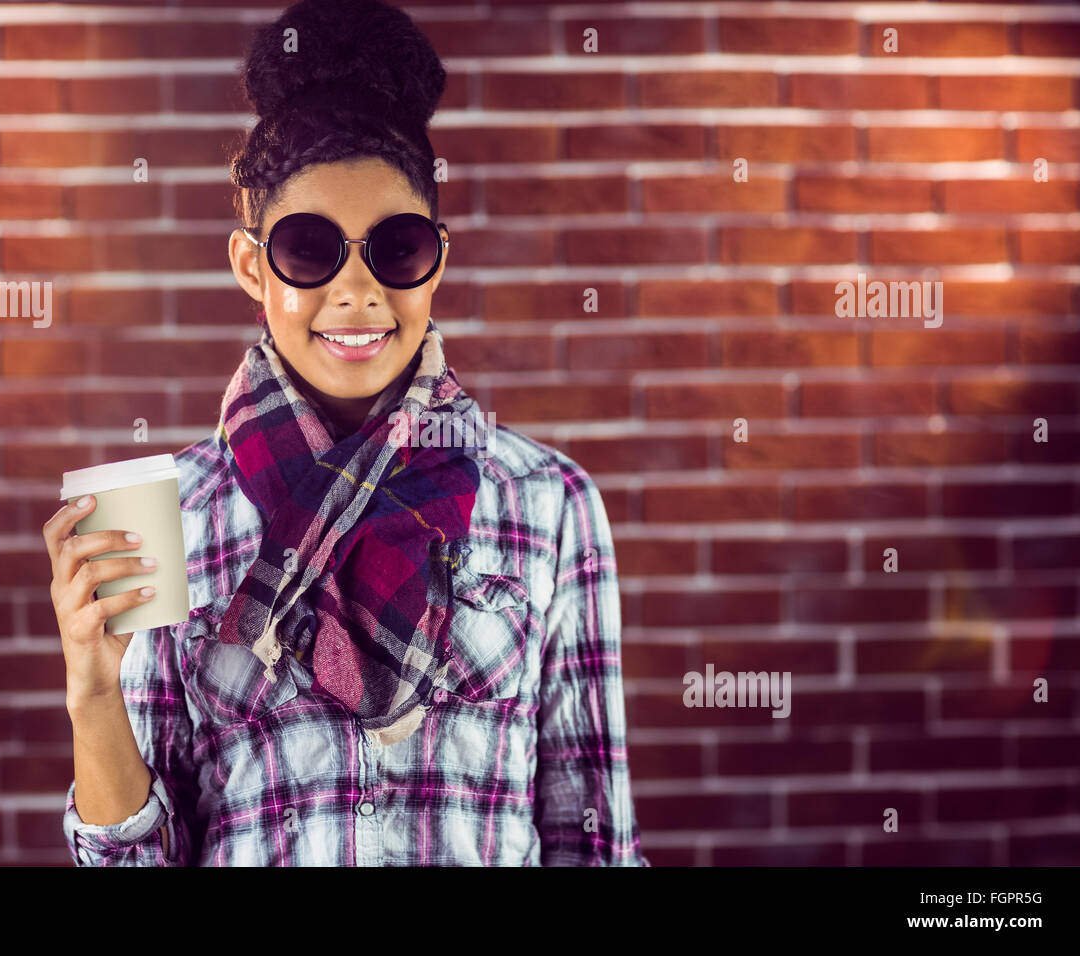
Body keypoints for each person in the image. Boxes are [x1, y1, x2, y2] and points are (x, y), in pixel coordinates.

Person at [44, 0, 648, 866]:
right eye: (308, 248)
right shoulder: (165, 516)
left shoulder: (550, 505)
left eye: (395, 248)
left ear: (438, 258)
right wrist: (91, 693)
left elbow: (595, 846)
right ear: (253, 265)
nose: (357, 290)